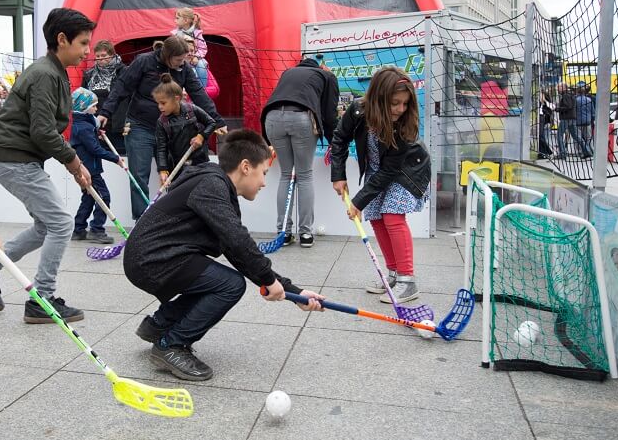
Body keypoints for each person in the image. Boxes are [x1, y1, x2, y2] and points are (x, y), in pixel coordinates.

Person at [123, 129, 324, 381]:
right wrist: (269, 281)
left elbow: (236, 251)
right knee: (228, 284)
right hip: (151, 259)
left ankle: (159, 325)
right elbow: (239, 242)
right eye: (263, 173)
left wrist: (293, 292)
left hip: (154, 256)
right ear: (245, 167)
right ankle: (171, 345)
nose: (263, 182)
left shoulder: (213, 184)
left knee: (215, 279)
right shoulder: (211, 185)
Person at [0, 8, 95, 324]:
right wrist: (74, 163)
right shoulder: (45, 74)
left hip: (19, 160)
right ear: (62, 40)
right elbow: (43, 130)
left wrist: (71, 162)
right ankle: (42, 299)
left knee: (45, 226)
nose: (87, 51)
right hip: (15, 161)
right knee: (62, 223)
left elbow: (44, 130)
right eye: (83, 43)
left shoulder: (55, 72)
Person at [329, 66, 430, 303]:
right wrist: (338, 175)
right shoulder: (357, 111)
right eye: (395, 103)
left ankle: (408, 281)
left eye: (405, 103)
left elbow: (390, 171)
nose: (400, 109)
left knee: (392, 215)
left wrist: (357, 202)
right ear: (378, 98)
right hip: (377, 170)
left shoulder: (404, 126)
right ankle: (393, 275)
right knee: (376, 216)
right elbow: (340, 139)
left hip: (408, 171)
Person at [99, 36, 224, 220]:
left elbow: (198, 93)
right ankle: (142, 221)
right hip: (140, 125)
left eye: (184, 60)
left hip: (169, 129)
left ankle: (172, 220)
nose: (183, 63)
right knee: (139, 176)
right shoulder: (143, 61)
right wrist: (105, 112)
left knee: (173, 175)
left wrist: (217, 120)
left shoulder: (184, 69)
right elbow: (122, 87)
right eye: (179, 59)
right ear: (168, 56)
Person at [260, 56, 340, 248]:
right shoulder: (326, 75)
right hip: (301, 118)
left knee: (286, 175)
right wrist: (334, 142)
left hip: (271, 118)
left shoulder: (288, 72)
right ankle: (305, 234)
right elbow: (329, 114)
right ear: (321, 66)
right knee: (304, 175)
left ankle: (284, 232)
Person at [69, 86, 123, 244]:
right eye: (93, 106)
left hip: (87, 169)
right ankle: (97, 229)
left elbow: (89, 137)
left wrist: (96, 133)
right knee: (103, 197)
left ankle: (78, 229)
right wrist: (115, 158)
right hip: (89, 171)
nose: (97, 108)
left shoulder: (84, 125)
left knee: (88, 198)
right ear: (83, 107)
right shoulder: (84, 128)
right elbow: (95, 149)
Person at [153, 73, 217, 184]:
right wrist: (162, 170)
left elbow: (211, 123)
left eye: (163, 103)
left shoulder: (191, 109)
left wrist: (201, 136)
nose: (160, 107)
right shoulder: (162, 122)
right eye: (158, 103)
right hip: (177, 168)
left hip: (200, 162)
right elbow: (161, 149)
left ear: (177, 99)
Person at [82, 40, 127, 152]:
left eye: (104, 55)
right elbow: (84, 99)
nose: (100, 59)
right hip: (96, 124)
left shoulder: (124, 71)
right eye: (97, 56)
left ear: (112, 55)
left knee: (120, 156)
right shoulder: (89, 74)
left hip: (118, 125)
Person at [172, 7, 208, 85]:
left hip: (194, 59)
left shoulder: (197, 33)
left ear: (186, 21)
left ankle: (202, 88)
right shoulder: (175, 34)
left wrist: (196, 56)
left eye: (177, 18)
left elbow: (203, 48)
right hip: (181, 59)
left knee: (201, 64)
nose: (175, 20)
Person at [555, 82, 589, 159]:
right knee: (576, 136)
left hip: (566, 118)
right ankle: (587, 151)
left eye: (559, 87)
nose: (557, 89)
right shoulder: (571, 95)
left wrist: (557, 109)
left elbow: (568, 106)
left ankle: (562, 154)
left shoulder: (566, 95)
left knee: (559, 135)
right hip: (572, 118)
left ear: (564, 87)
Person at [575, 82, 594, 158]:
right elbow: (592, 111)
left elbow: (574, 111)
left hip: (578, 122)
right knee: (588, 138)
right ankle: (590, 150)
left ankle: (581, 152)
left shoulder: (576, 100)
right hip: (587, 121)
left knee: (578, 138)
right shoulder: (589, 100)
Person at [538, 89, 555, 159]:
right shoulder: (538, 103)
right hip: (538, 118)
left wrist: (544, 101)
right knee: (540, 137)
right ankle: (542, 153)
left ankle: (549, 152)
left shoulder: (547, 103)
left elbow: (553, 107)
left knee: (541, 136)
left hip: (543, 119)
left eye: (540, 95)